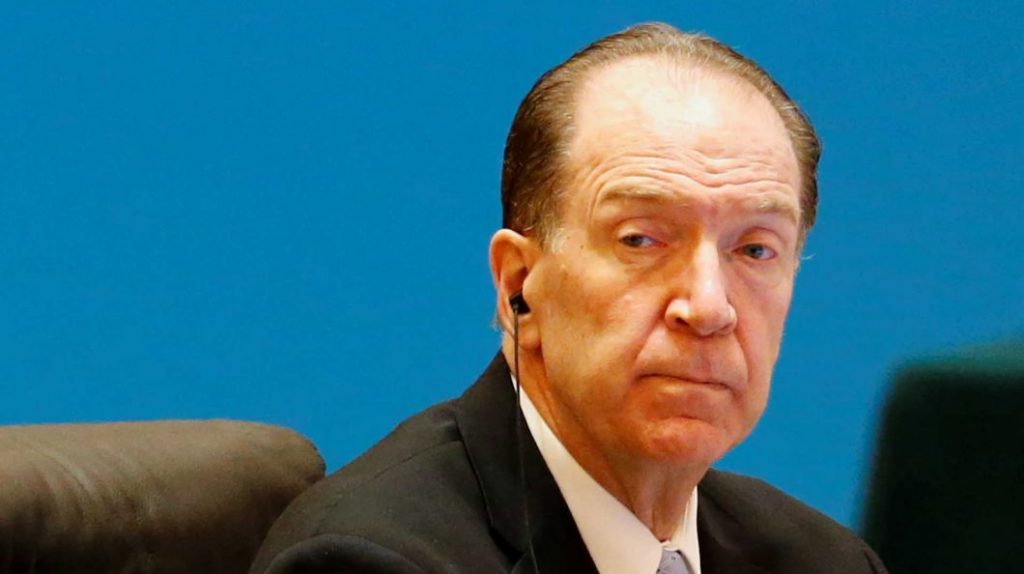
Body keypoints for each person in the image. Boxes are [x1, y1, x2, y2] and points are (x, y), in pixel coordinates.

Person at [250, 22, 888, 574]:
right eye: (641, 240)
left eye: (754, 250)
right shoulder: (369, 559)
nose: (709, 307)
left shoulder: (823, 560)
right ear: (518, 286)